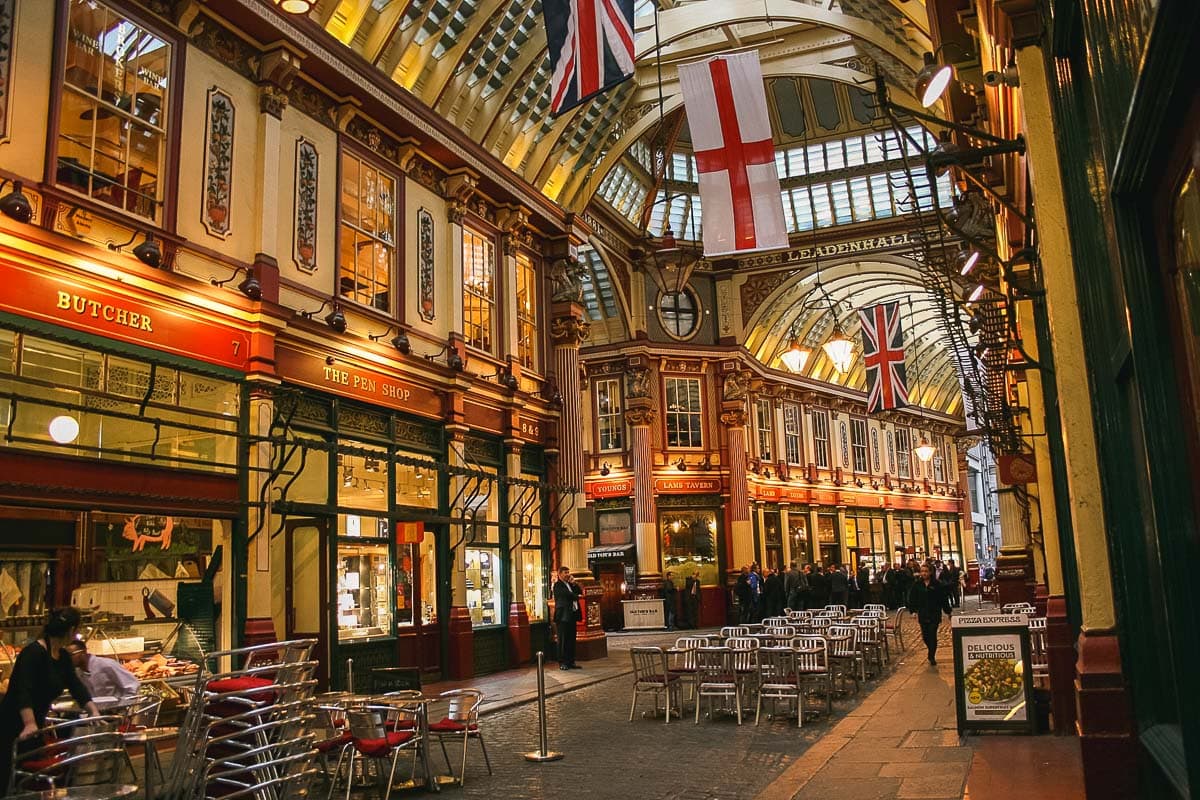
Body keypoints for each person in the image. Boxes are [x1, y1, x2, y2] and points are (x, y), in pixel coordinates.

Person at [0, 607, 100, 795]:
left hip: (35, 728)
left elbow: (76, 686)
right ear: (71, 630)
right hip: (12, 726)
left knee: (29, 782)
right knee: (7, 777)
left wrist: (93, 710)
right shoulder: (33, 653)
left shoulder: (62, 657)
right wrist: (29, 723)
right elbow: (23, 690)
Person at [907, 562, 953, 665]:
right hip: (923, 614)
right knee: (925, 636)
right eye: (922, 571)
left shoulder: (937, 584)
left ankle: (931, 655)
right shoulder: (917, 584)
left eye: (926, 571)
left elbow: (943, 599)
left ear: (930, 572)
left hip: (934, 613)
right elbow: (912, 598)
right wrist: (913, 610)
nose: (923, 573)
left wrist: (948, 611)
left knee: (932, 634)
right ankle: (930, 649)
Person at [66, 641, 140, 703]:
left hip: (116, 712)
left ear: (83, 653)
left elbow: (132, 686)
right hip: (96, 714)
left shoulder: (106, 664)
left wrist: (125, 707)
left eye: (70, 655)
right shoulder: (77, 672)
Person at [552, 567, 582, 670]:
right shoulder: (557, 585)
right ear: (560, 574)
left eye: (568, 572)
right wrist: (576, 596)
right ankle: (562, 662)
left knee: (571, 640)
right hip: (563, 616)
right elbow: (568, 595)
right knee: (563, 640)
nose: (568, 574)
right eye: (565, 572)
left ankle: (570, 661)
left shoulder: (569, 584)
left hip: (572, 615)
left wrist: (574, 583)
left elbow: (579, 591)